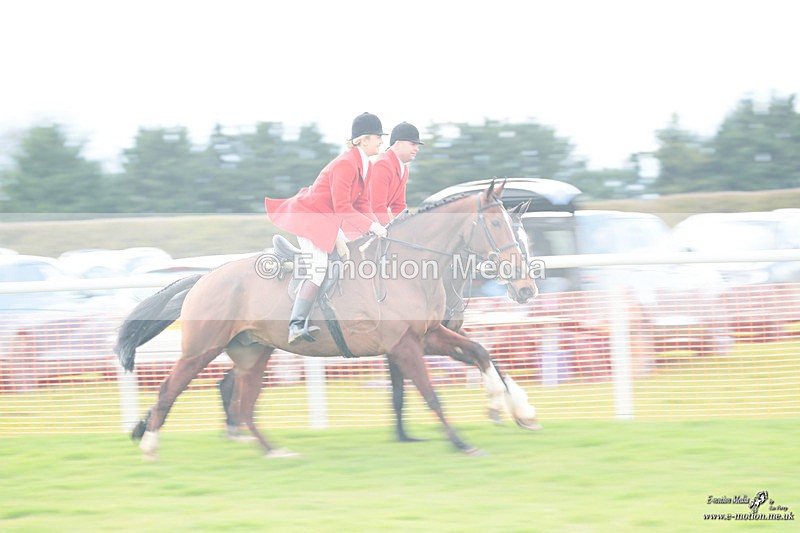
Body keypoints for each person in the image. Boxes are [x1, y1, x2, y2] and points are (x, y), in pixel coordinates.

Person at [265, 112, 388, 345]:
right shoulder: (345, 164)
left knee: (345, 255)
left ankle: (326, 308)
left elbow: (362, 204)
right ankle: (296, 324)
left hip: (326, 219)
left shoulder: (365, 166)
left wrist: (380, 227)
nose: (381, 141)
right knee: (319, 268)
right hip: (311, 217)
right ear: (363, 140)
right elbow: (343, 207)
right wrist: (371, 226)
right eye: (377, 137)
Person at [369, 122, 424, 226]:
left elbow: (398, 205)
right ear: (398, 144)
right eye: (413, 144)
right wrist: (390, 231)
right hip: (353, 227)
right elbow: (376, 207)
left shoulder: (404, 167)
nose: (417, 148)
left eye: (417, 145)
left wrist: (407, 226)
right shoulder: (382, 165)